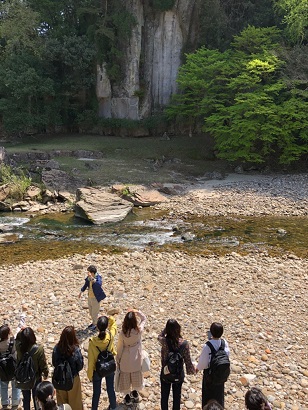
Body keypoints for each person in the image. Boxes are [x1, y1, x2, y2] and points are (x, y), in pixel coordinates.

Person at [158, 319, 195, 410]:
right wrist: (192, 371)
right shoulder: (184, 344)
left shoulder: (164, 341)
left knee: (164, 396)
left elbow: (159, 336)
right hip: (178, 373)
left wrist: (165, 330)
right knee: (177, 397)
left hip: (166, 372)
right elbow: (188, 360)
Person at [116, 309, 146, 405]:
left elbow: (120, 348)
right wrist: (137, 312)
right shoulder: (138, 331)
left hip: (125, 358)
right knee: (135, 378)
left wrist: (118, 359)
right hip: (136, 358)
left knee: (126, 379)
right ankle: (135, 393)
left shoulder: (122, 334)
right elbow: (144, 319)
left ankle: (127, 397)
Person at [196, 322, 230, 408]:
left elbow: (203, 363)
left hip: (210, 376)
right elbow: (227, 356)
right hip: (220, 374)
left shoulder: (208, 345)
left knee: (208, 398)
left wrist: (197, 368)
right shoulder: (224, 343)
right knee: (219, 396)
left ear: (211, 332)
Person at [87, 315, 118, 410]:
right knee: (110, 389)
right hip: (110, 365)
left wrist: (90, 374)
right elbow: (114, 326)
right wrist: (110, 319)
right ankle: (113, 407)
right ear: (106, 326)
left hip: (97, 369)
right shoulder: (110, 336)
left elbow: (91, 360)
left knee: (96, 393)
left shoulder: (93, 342)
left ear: (97, 327)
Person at [15, 327, 49, 410]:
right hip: (36, 377)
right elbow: (42, 364)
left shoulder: (18, 347)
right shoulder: (38, 349)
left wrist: (21, 332)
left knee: (26, 398)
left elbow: (16, 338)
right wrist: (46, 373)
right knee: (37, 398)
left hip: (23, 377)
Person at [52, 326, 84, 410]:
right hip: (73, 378)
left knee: (62, 404)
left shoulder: (56, 348)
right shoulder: (75, 350)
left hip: (60, 378)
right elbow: (80, 365)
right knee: (75, 403)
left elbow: (54, 363)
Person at [0, 323, 21, 410]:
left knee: (3, 385)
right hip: (12, 366)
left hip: (2, 368)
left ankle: (4, 404)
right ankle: (15, 404)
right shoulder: (13, 341)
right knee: (15, 386)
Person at [78, 265, 106, 331]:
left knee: (95, 312)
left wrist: (92, 279)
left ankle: (95, 325)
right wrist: (81, 292)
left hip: (96, 298)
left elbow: (98, 285)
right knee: (91, 312)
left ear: (92, 273)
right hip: (90, 297)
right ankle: (94, 323)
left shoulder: (98, 277)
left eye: (89, 272)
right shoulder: (88, 278)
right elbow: (85, 285)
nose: (88, 273)